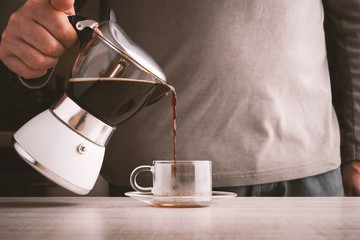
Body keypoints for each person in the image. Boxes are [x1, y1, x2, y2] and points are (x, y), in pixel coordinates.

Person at [1, 0, 359, 196]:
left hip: (307, 166)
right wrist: (33, 43)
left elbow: (353, 19)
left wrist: (357, 147)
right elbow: (45, 13)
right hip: (151, 176)